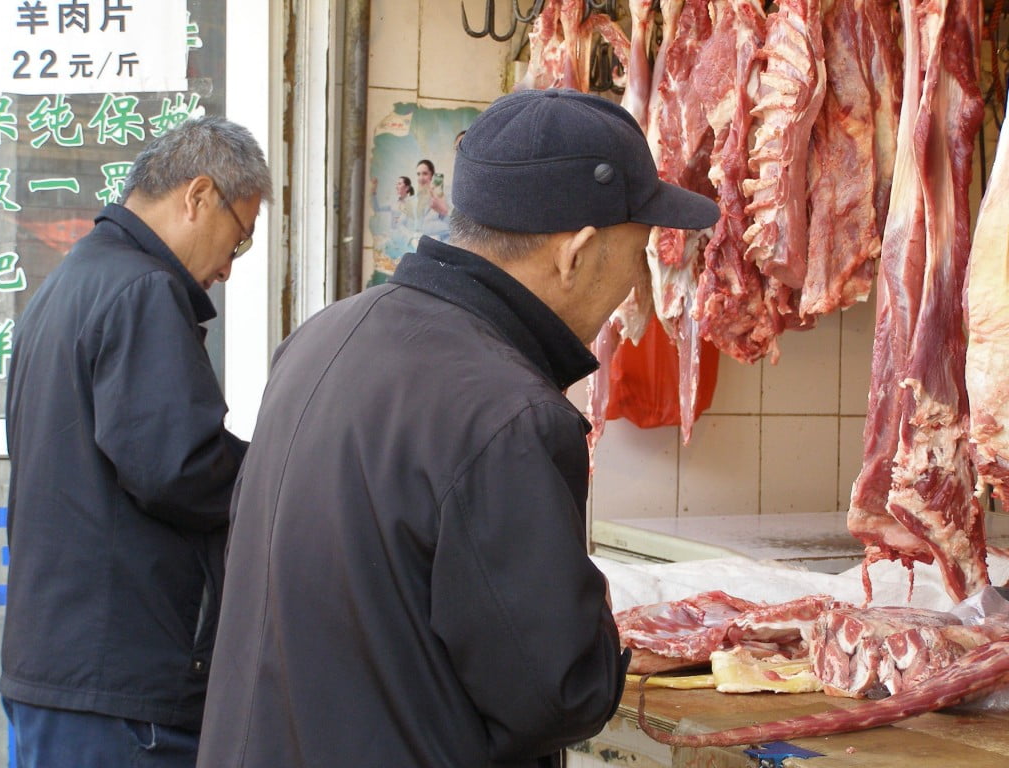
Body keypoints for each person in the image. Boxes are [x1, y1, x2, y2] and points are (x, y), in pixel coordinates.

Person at [196, 88, 718, 768]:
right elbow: (555, 694)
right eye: (637, 250)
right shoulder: (509, 414)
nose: (634, 282)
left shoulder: (326, 334)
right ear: (578, 251)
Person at [1, 115, 272, 768]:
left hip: (60, 675)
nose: (229, 272)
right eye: (238, 241)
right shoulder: (142, 289)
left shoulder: (66, 286)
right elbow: (178, 468)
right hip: (122, 692)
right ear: (199, 197)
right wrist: (277, 472)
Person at [414, 157, 450, 239]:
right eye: (418, 174)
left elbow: (452, 226)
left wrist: (444, 210)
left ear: (432, 175)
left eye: (425, 173)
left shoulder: (444, 193)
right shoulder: (419, 198)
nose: (421, 178)